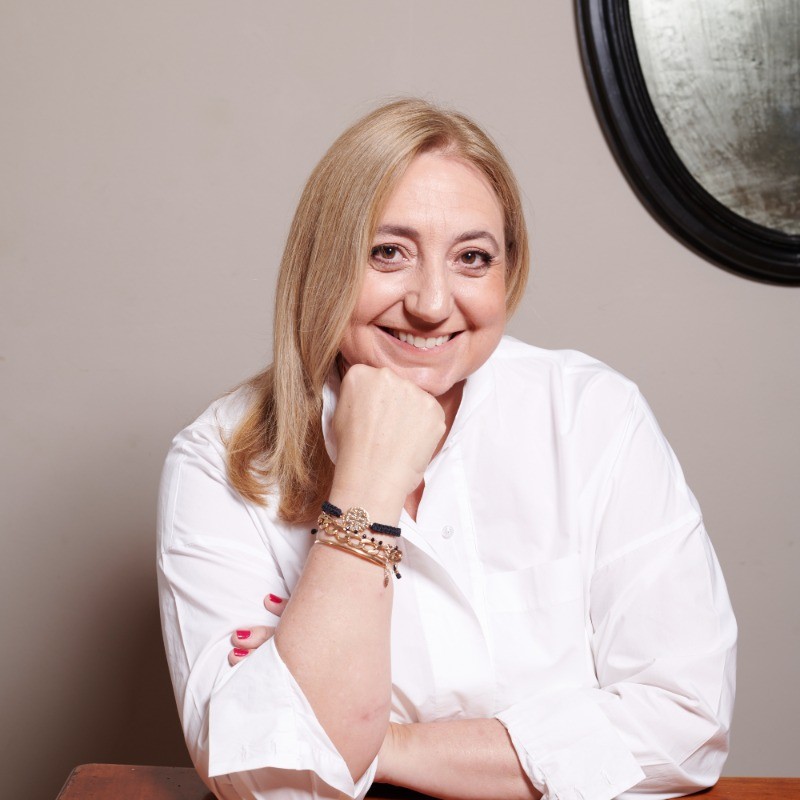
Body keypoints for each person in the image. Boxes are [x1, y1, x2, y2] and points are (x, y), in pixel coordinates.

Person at [157, 98, 737, 800]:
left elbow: (685, 725)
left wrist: (377, 743)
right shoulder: (218, 460)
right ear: (324, 265)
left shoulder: (591, 415)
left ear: (507, 273)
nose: (432, 303)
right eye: (388, 252)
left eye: (472, 258)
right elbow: (275, 783)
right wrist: (367, 486)